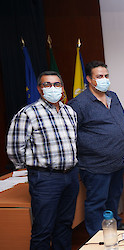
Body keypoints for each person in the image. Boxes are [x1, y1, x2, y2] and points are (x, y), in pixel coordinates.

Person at [7, 71, 78, 250]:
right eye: (47, 85)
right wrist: (32, 168)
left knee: (64, 225)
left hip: (70, 176)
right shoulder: (28, 113)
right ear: (39, 89)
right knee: (43, 229)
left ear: (62, 88)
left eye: (56, 84)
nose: (52, 88)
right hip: (45, 179)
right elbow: (15, 148)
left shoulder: (69, 111)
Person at [68, 61, 124, 236]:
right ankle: (97, 237)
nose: (104, 80)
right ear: (89, 79)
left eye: (106, 76)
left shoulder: (113, 96)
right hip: (95, 165)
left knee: (113, 199)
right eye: (99, 76)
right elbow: (72, 134)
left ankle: (115, 226)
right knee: (97, 202)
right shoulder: (79, 104)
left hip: (117, 161)